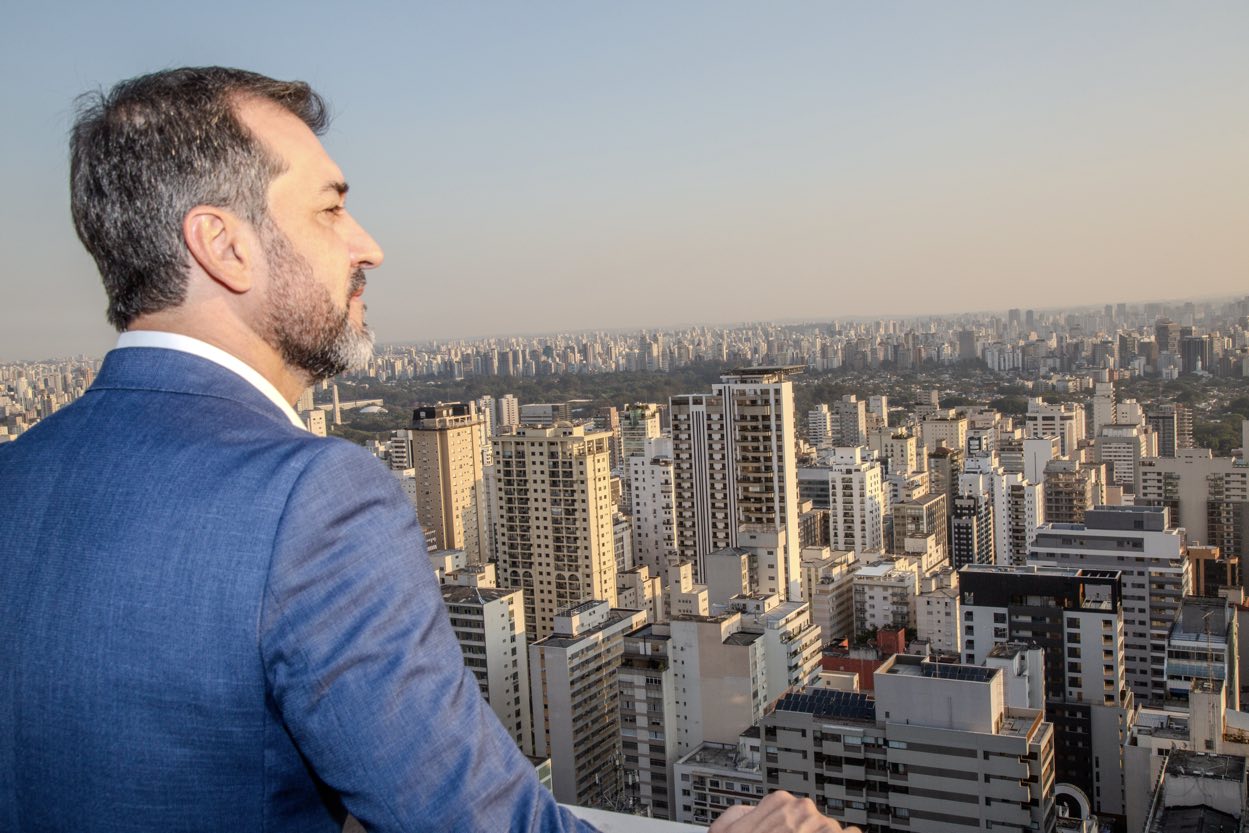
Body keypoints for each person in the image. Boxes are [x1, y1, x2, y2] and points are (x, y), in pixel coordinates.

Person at [0, 67, 853, 833]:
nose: (367, 244)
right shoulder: (309, 497)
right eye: (330, 208)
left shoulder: (16, 474)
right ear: (224, 245)